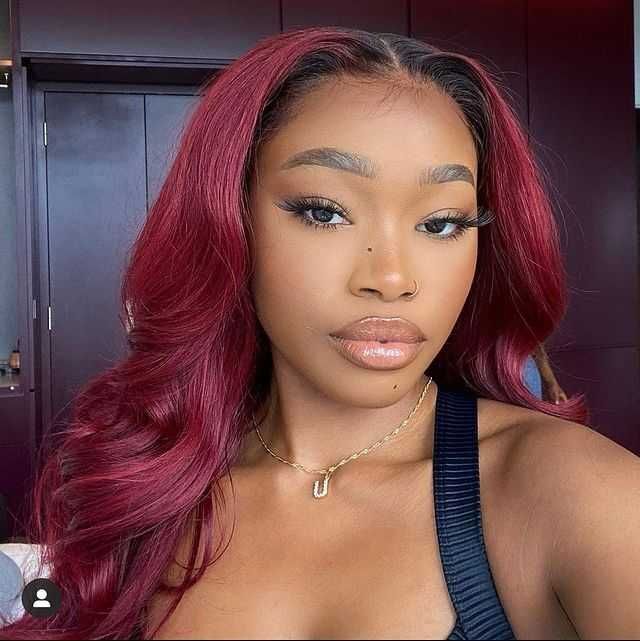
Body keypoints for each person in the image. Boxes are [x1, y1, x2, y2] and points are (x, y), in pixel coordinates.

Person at [2, 26, 639, 641]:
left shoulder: (577, 495)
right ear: (231, 220)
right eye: (324, 212)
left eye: (442, 223)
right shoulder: (151, 481)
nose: (392, 279)